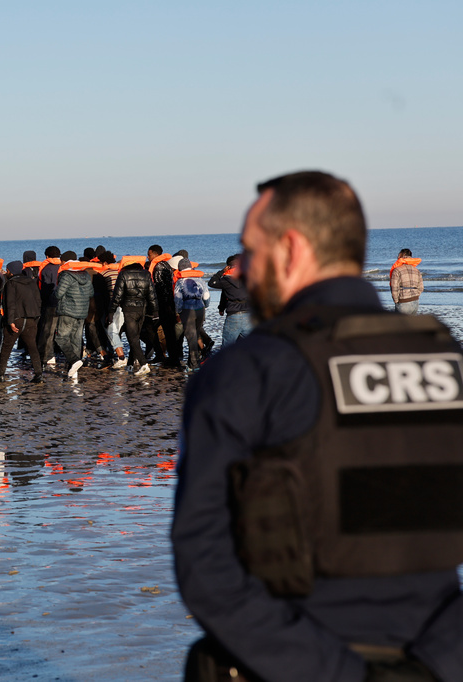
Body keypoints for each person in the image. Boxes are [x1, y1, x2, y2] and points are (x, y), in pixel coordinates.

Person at [173, 170, 463, 682]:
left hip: (295, 661)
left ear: (291, 247)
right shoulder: (445, 362)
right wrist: (437, 663)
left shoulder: (249, 371)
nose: (247, 268)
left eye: (251, 251)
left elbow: (206, 567)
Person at [0, 261, 43, 383]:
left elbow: (9, 303)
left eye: (8, 270)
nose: (7, 272)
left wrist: (10, 321)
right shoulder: (31, 281)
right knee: (32, 347)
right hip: (31, 319)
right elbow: (38, 300)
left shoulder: (11, 283)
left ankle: (0, 373)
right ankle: (38, 373)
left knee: (7, 347)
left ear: (11, 270)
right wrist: (37, 317)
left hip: (16, 319)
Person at [109, 255, 158, 375]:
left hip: (128, 309)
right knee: (135, 337)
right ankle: (130, 363)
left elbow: (117, 295)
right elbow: (152, 294)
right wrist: (155, 311)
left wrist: (111, 311)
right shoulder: (146, 274)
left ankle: (143, 364)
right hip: (142, 309)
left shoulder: (124, 275)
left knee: (132, 338)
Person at [53, 251, 93, 380]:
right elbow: (91, 293)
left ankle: (74, 361)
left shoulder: (66, 275)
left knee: (61, 338)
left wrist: (53, 293)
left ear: (65, 262)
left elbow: (58, 294)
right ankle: (74, 371)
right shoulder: (86, 274)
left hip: (67, 311)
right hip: (82, 312)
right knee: (76, 340)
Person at [146, 245, 182, 367]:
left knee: (154, 329)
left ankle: (167, 357)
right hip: (169, 303)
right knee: (169, 332)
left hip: (163, 304)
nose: (148, 257)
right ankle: (171, 357)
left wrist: (155, 305)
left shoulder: (158, 267)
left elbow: (159, 287)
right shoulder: (166, 265)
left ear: (155, 254)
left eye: (149, 254)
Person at [172, 258, 210, 370]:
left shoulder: (180, 281)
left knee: (191, 338)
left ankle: (194, 364)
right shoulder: (200, 279)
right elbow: (206, 296)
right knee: (196, 333)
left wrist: (178, 311)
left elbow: (178, 298)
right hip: (200, 309)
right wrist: (205, 306)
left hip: (187, 310)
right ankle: (192, 361)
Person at [208, 254, 253, 347]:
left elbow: (212, 283)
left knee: (227, 346)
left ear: (228, 267)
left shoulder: (226, 280)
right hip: (248, 314)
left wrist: (221, 272)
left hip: (233, 315)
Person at [390, 248, 424, 315]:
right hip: (415, 302)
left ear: (400, 255)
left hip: (403, 302)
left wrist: (396, 301)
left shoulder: (397, 270)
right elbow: (421, 288)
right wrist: (416, 295)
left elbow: (394, 287)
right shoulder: (416, 270)